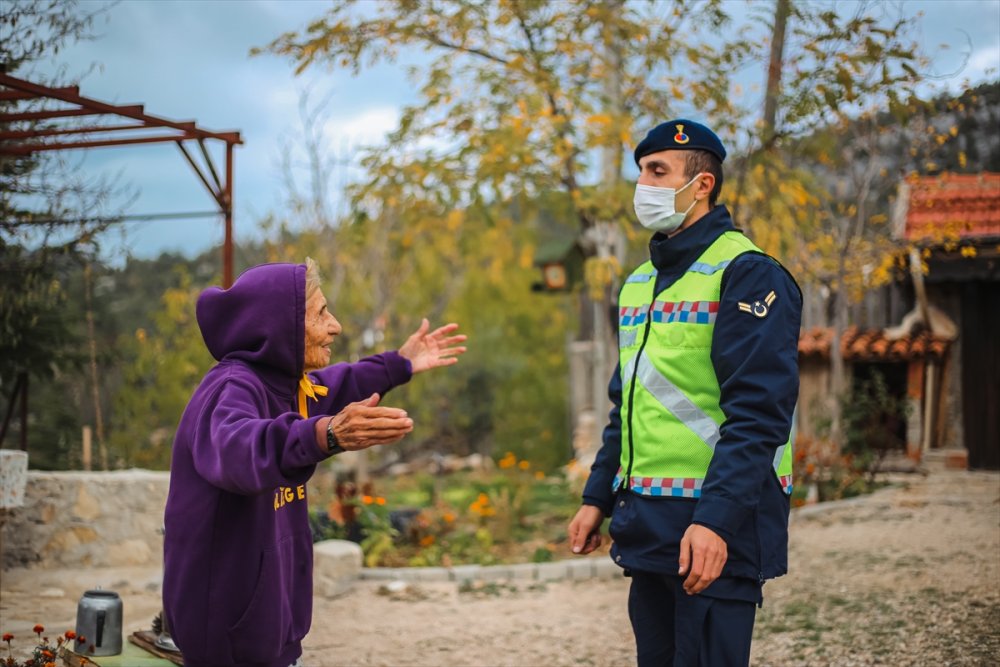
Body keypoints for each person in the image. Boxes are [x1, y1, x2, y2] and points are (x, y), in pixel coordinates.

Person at [568, 119, 801, 666]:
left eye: (658, 171)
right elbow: (628, 404)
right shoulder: (639, 283)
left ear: (702, 185)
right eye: (641, 172)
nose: (643, 186)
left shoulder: (748, 274)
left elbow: (759, 414)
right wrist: (597, 497)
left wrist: (716, 520)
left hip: (714, 525)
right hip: (648, 522)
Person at [163, 259, 466, 667]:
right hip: (227, 634)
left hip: (270, 630)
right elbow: (240, 449)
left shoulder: (288, 384)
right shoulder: (231, 388)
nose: (335, 325)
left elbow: (340, 384)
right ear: (280, 324)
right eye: (321, 313)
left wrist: (400, 363)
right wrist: (326, 434)